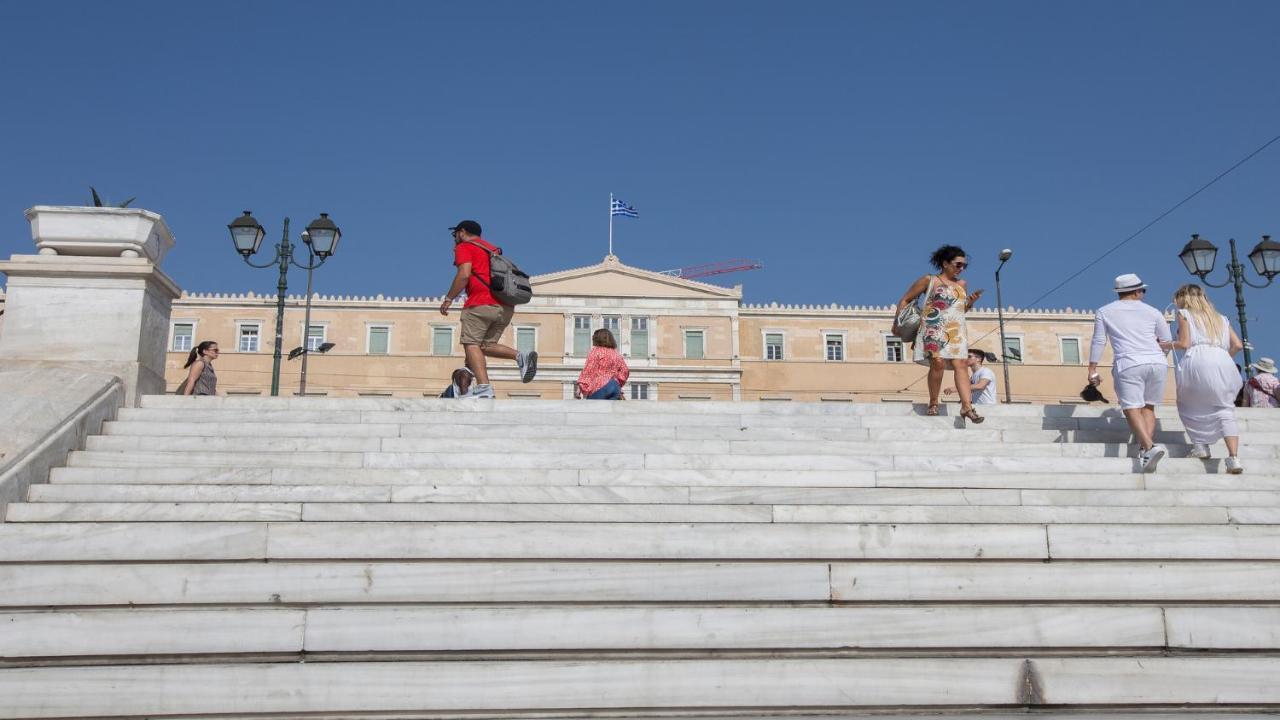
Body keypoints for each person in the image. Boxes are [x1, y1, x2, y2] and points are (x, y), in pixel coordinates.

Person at [438, 220, 537, 398]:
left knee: (471, 343)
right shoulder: (492, 250)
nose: (454, 239)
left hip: (480, 303)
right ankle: (520, 356)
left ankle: (484, 388)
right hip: (505, 306)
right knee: (485, 345)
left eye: (455, 235)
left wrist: (449, 298)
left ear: (462, 232)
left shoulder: (465, 247)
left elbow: (464, 274)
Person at [1087, 273, 1172, 473]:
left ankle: (1149, 447)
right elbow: (1166, 340)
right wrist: (1159, 356)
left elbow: (1099, 340)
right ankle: (1145, 450)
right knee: (1148, 407)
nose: (1143, 293)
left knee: (1130, 407)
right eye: (1142, 290)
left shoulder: (1105, 311)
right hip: (1157, 362)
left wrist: (1092, 368)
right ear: (1135, 291)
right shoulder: (1153, 312)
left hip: (1129, 362)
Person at [896, 245, 985, 422]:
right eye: (958, 264)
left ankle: (967, 406)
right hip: (933, 327)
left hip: (956, 330)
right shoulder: (929, 280)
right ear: (945, 263)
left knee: (960, 364)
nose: (961, 269)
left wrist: (970, 303)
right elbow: (905, 299)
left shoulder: (962, 284)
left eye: (964, 266)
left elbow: (959, 310)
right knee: (937, 363)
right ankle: (934, 401)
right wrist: (897, 323)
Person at [1166, 284, 1245, 473]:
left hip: (1197, 360)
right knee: (1225, 409)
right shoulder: (1221, 318)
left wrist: (1165, 344)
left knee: (1188, 404)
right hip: (1223, 361)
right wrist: (1223, 358)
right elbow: (1238, 345)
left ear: (1184, 299)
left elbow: (1184, 342)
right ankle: (1233, 458)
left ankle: (1200, 446)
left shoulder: (1184, 314)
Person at [575, 329, 630, 400]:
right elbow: (625, 370)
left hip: (599, 386)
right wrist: (618, 382)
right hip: (615, 386)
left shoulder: (596, 351)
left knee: (594, 409)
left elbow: (588, 370)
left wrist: (580, 387)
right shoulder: (616, 353)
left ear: (597, 339)